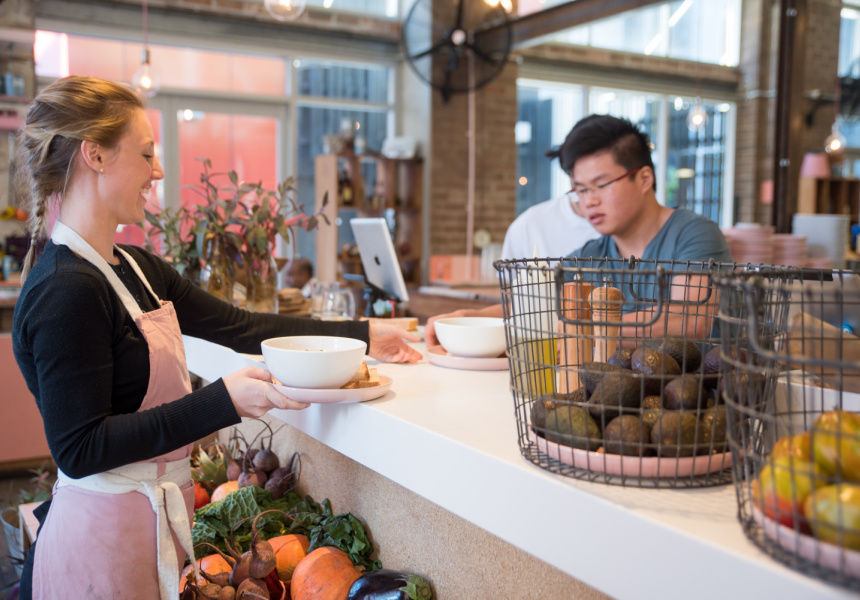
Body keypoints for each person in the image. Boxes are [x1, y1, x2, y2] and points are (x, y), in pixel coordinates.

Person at [11, 76, 421, 600]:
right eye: (146, 154)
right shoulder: (65, 289)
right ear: (95, 155)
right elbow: (81, 447)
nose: (158, 171)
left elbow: (241, 326)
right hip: (95, 548)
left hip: (144, 528)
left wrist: (364, 334)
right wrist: (223, 401)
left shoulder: (136, 268)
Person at [426, 114, 733, 347]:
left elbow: (687, 322)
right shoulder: (591, 256)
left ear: (644, 178)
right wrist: (469, 319)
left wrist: (578, 329)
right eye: (581, 190)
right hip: (621, 401)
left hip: (697, 403)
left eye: (601, 185)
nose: (589, 201)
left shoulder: (695, 234)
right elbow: (534, 306)